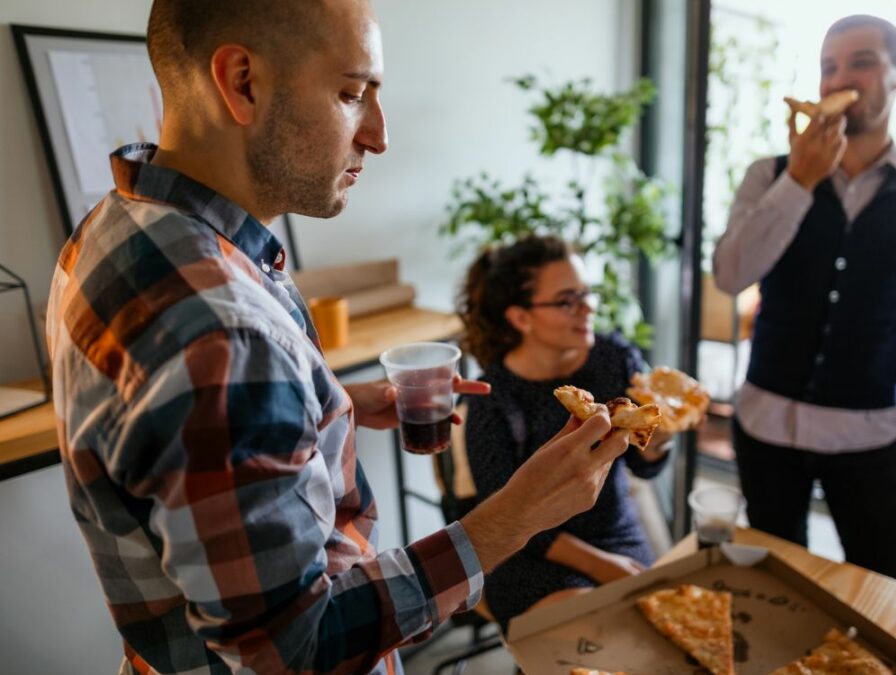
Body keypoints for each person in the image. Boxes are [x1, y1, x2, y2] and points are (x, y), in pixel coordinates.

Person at [44, 2, 629, 673]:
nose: (379, 135)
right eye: (352, 94)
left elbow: (175, 437)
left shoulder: (115, 227)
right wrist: (514, 516)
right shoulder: (225, 333)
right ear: (242, 82)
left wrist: (325, 404)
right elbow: (296, 649)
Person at [712, 14, 896, 583]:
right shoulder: (770, 175)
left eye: (861, 62)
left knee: (886, 589)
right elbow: (730, 276)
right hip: (765, 428)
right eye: (828, 67)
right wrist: (800, 184)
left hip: (868, 434)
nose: (838, 80)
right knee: (772, 588)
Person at [457, 235, 674, 629]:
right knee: (588, 638)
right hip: (527, 551)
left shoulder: (615, 359)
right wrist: (602, 567)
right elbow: (506, 517)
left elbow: (644, 468)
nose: (587, 308)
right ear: (520, 317)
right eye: (566, 300)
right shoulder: (493, 401)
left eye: (587, 294)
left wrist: (660, 441)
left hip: (614, 531)